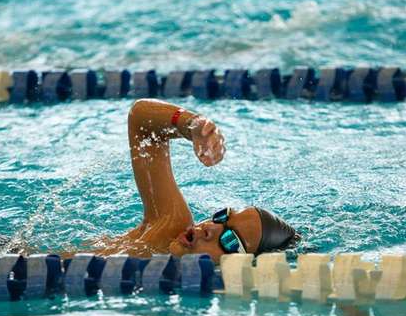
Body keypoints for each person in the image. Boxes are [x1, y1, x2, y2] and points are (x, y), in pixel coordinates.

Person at [94, 99, 300, 263]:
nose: (210, 228)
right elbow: (141, 120)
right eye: (222, 217)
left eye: (230, 241)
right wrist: (191, 124)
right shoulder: (168, 229)